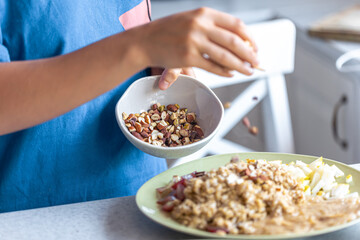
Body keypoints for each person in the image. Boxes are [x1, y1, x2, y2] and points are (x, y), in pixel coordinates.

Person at [0, 0, 259, 213]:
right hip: (31, 213)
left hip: (140, 201)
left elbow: (116, 23)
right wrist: (141, 44)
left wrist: (155, 56)